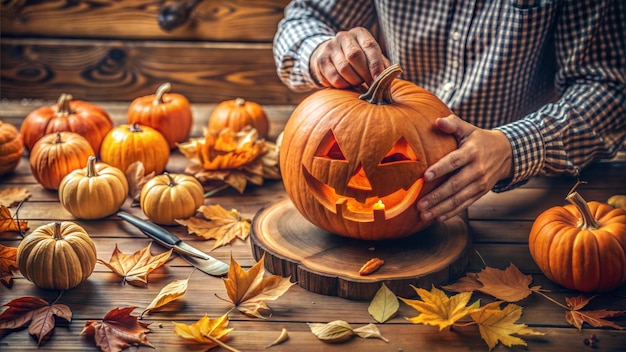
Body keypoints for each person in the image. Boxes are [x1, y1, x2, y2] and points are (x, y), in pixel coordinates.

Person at [273, 0, 626, 223]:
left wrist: (515, 147)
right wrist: (321, 51)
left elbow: (610, 89)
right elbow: (308, 15)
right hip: (403, 158)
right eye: (336, 154)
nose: (358, 180)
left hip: (530, 197)